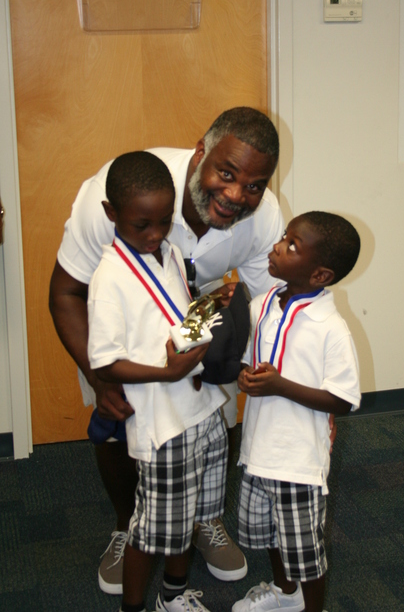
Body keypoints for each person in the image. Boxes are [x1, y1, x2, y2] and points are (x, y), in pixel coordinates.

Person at [48, 107, 284, 594]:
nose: (238, 195)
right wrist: (101, 377)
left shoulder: (262, 219)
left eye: (255, 185)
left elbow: (267, 312)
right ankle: (126, 523)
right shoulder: (117, 197)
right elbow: (66, 293)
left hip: (195, 309)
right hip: (122, 318)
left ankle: (202, 519)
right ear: (201, 153)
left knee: (215, 421)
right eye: (226, 173)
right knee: (119, 422)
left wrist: (286, 385)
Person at [88, 150, 225, 612]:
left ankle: (174, 595)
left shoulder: (166, 251)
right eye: (140, 225)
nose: (154, 235)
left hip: (200, 409)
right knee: (151, 531)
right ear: (111, 214)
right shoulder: (109, 278)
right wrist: (168, 373)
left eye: (164, 221)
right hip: (162, 427)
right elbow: (106, 363)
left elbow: (176, 322)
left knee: (185, 520)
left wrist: (211, 307)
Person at [233, 211, 362, 612]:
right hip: (258, 450)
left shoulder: (331, 327)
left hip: (298, 461)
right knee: (271, 535)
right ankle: (285, 594)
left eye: (290, 245)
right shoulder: (265, 302)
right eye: (284, 236)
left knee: (305, 551)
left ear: (320, 275)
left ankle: (311, 606)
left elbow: (343, 398)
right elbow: (248, 358)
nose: (276, 246)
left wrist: (280, 386)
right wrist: (243, 376)